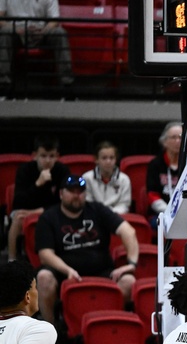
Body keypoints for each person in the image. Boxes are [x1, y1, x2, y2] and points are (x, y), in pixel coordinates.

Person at [35, 175, 139, 325]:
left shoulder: (97, 209)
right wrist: (67, 270)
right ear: (61, 194)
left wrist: (131, 263)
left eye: (80, 191)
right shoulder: (48, 217)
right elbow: (45, 254)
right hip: (64, 275)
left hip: (101, 272)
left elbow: (129, 232)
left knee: (129, 281)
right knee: (44, 277)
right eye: (71, 191)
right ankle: (50, 329)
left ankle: (104, 325)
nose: (77, 195)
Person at [0, 0, 73, 89]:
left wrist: (44, 30)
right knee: (4, 33)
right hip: (15, 32)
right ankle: (3, 84)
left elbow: (54, 19)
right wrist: (15, 29)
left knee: (59, 33)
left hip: (41, 30)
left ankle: (67, 84)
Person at [7, 135, 68, 262]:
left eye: (51, 156)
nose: (47, 160)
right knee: (18, 217)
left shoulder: (62, 171)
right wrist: (37, 184)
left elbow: (63, 202)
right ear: (35, 155)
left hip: (52, 211)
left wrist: (37, 212)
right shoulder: (24, 170)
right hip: (25, 209)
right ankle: (11, 259)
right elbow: (18, 201)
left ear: (57, 156)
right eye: (43, 156)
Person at [145, 122, 183, 220]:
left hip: (184, 214)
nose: (178, 141)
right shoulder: (155, 164)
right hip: (160, 214)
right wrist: (169, 212)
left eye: (181, 137)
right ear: (164, 141)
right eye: (174, 137)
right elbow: (152, 194)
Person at [84, 141, 132, 215]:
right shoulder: (87, 178)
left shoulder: (124, 179)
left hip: (117, 217)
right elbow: (87, 203)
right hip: (94, 216)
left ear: (116, 160)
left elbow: (124, 205)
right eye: (104, 158)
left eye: (111, 158)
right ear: (97, 160)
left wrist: (109, 214)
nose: (108, 161)